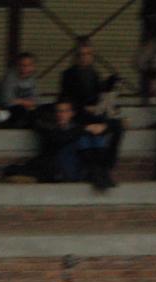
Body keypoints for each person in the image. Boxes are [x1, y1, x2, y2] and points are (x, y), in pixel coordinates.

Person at [3, 100, 116, 190]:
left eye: (65, 111)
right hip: (58, 167)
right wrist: (84, 129)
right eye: (59, 111)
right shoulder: (49, 126)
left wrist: (99, 128)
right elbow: (59, 138)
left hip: (78, 167)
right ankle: (98, 172)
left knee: (93, 137)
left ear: (72, 113)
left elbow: (107, 130)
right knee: (83, 138)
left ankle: (99, 171)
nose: (62, 114)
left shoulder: (76, 127)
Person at [59, 39, 126, 182]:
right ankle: (97, 170)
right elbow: (66, 99)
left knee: (117, 127)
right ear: (76, 56)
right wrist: (84, 107)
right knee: (92, 136)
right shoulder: (68, 75)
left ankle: (103, 168)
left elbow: (99, 94)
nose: (85, 57)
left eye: (88, 54)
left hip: (94, 116)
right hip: (79, 116)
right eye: (81, 54)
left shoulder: (94, 74)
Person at [0, 51, 41, 128]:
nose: (25, 68)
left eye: (29, 65)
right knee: (20, 111)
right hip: (10, 110)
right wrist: (25, 103)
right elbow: (7, 101)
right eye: (23, 65)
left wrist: (20, 101)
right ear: (17, 66)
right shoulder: (9, 78)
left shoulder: (33, 78)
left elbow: (36, 100)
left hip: (27, 108)